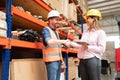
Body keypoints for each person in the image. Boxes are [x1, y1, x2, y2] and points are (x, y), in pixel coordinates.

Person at [70, 9, 106, 80]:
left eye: (88, 18)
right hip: (82, 60)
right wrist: (71, 43)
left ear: (94, 19)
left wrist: (88, 46)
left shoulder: (100, 32)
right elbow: (81, 46)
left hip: (93, 59)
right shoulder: (86, 32)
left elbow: (102, 49)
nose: (86, 20)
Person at [42, 10, 69, 80]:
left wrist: (61, 59)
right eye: (56, 20)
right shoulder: (46, 30)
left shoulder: (56, 32)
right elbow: (49, 42)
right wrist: (63, 41)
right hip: (51, 61)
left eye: (58, 20)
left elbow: (57, 46)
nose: (58, 21)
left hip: (58, 60)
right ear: (50, 20)